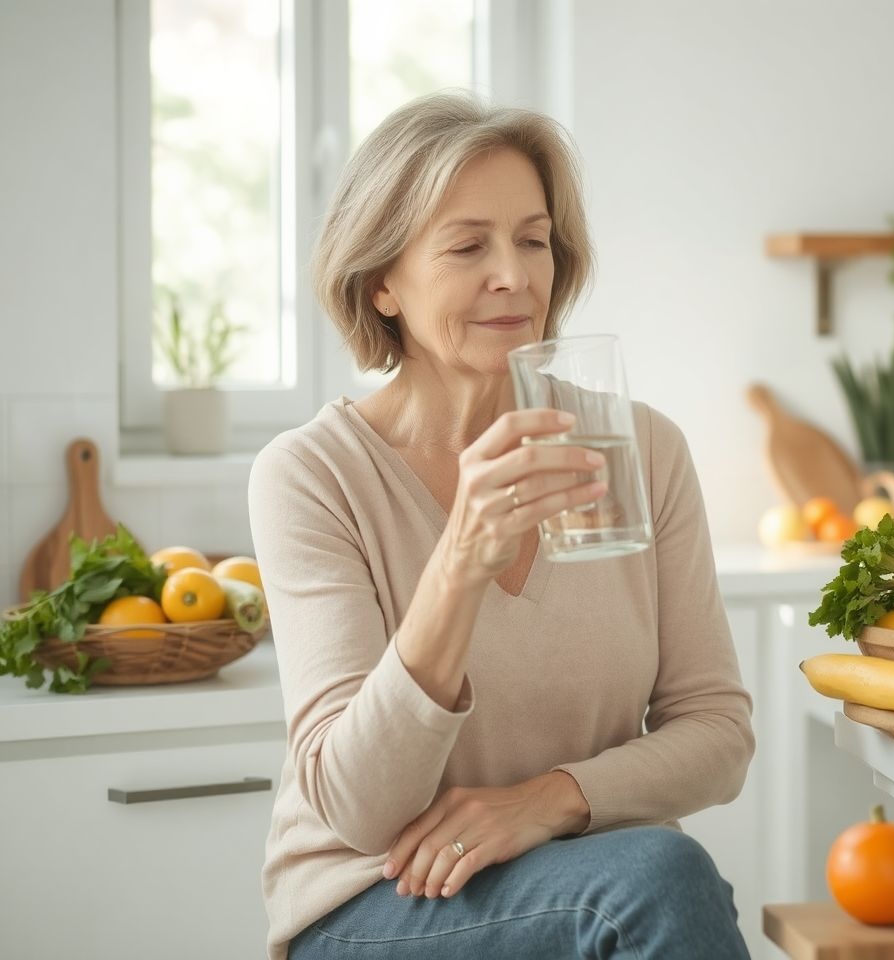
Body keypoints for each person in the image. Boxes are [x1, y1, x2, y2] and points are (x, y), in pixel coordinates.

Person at [247, 91, 755, 960]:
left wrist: (546, 800)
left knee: (660, 878)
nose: (514, 275)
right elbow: (359, 808)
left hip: (589, 881)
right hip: (375, 899)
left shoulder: (640, 447)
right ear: (383, 283)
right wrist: (460, 560)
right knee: (662, 881)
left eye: (533, 239)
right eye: (467, 245)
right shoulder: (312, 474)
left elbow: (718, 737)